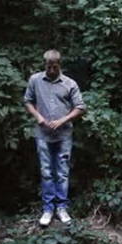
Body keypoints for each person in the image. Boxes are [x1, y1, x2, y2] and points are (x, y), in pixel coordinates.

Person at [23, 49, 86, 226]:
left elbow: (80, 107)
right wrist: (39, 118)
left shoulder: (69, 83)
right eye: (49, 67)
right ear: (45, 65)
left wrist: (63, 120)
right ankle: (48, 209)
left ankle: (62, 208)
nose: (51, 70)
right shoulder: (35, 80)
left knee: (62, 172)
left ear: (60, 65)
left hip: (64, 134)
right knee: (46, 171)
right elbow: (27, 101)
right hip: (42, 134)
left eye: (55, 67)